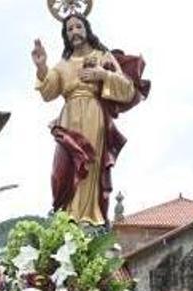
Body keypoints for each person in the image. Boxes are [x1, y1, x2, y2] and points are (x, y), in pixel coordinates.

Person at [32, 13, 137, 225]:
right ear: (65, 35)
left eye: (78, 26)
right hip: (68, 118)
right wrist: (42, 66)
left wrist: (102, 75)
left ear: (86, 29)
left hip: (93, 115)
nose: (74, 32)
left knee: (88, 163)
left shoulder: (103, 56)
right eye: (69, 29)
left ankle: (89, 217)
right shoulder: (63, 64)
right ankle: (67, 214)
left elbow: (127, 90)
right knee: (62, 169)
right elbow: (48, 92)